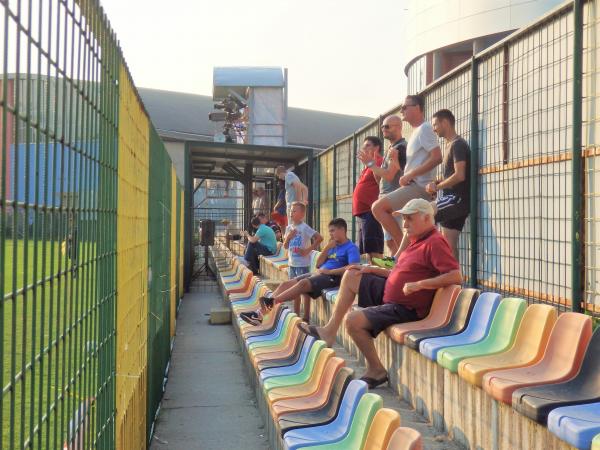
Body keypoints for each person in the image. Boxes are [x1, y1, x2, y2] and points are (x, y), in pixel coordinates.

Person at [299, 198, 462, 388]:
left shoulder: (435, 242)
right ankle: (329, 331)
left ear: (426, 218)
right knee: (352, 273)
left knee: (353, 321)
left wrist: (420, 284)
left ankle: (376, 370)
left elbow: (456, 276)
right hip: (391, 293)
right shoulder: (415, 240)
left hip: (405, 307)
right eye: (404, 219)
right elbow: (399, 272)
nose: (405, 224)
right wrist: (373, 269)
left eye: (410, 219)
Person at [240, 218, 360, 326]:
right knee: (285, 284)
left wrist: (330, 271)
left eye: (332, 231)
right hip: (320, 273)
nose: (330, 234)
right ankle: (258, 314)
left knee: (303, 284)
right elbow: (318, 264)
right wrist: (328, 247)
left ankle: (269, 304)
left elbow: (353, 267)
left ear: (342, 230)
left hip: (333, 278)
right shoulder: (333, 246)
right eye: (330, 231)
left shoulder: (351, 248)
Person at [372, 94, 442, 256]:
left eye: (405, 107)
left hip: (419, 188)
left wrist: (410, 175)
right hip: (413, 186)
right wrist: (405, 172)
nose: (402, 110)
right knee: (406, 225)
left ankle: (405, 254)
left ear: (417, 108)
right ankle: (401, 257)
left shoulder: (425, 128)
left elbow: (437, 157)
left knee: (378, 207)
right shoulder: (417, 132)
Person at [426, 109, 471, 260]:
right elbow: (452, 175)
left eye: (435, 125)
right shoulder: (449, 145)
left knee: (419, 213)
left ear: (445, 122)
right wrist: (437, 183)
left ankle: (397, 259)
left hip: (456, 199)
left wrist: (437, 187)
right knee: (449, 244)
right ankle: (454, 280)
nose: (433, 129)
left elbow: (460, 175)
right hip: (452, 199)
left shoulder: (458, 144)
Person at [360, 115, 406, 255]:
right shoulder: (390, 149)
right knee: (390, 242)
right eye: (382, 127)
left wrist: (372, 165)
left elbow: (390, 175)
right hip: (385, 199)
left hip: (393, 199)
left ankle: (402, 271)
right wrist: (373, 166)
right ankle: (393, 272)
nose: (383, 129)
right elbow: (380, 179)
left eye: (387, 126)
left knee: (398, 241)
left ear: (398, 127)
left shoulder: (400, 148)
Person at [282, 202, 323, 322]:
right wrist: (288, 237)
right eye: (290, 210)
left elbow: (320, 238)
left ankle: (306, 317)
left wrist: (307, 250)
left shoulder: (304, 227)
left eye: (294, 211)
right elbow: (285, 246)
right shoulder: (289, 228)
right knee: (294, 291)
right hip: (292, 264)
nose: (291, 213)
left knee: (304, 292)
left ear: (302, 214)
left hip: (302, 264)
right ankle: (296, 315)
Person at [354, 137, 385, 262]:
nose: (364, 149)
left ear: (376, 148)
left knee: (374, 251)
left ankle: (382, 276)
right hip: (363, 214)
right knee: (367, 251)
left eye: (368, 145)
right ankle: (375, 273)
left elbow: (381, 181)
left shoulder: (378, 162)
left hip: (371, 212)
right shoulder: (368, 166)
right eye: (364, 146)